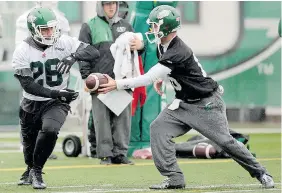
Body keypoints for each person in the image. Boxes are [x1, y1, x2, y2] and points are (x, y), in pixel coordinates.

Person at [98, 5, 275, 189]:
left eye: (155, 26)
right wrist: (163, 78)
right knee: (158, 128)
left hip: (206, 104)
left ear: (166, 27)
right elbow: (169, 71)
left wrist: (116, 84)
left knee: (224, 142)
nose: (152, 29)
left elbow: (148, 77)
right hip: (183, 103)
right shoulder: (162, 45)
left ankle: (261, 172)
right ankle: (174, 178)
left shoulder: (177, 50)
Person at [12, 7, 99, 189]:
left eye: (52, 28)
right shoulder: (22, 50)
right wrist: (55, 93)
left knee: (50, 130)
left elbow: (93, 52)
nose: (50, 33)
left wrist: (74, 56)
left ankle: (37, 171)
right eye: (45, 29)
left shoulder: (64, 42)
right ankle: (30, 167)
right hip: (32, 102)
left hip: (57, 102)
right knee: (29, 146)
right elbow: (28, 84)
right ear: (34, 30)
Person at [78, 1, 144, 165]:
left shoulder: (126, 26)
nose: (111, 7)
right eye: (107, 3)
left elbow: (136, 53)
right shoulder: (89, 26)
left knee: (123, 119)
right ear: (100, 5)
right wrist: (86, 77)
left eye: (113, 3)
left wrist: (140, 46)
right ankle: (105, 154)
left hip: (122, 80)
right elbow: (82, 53)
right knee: (102, 119)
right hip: (100, 80)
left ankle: (120, 154)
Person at [15, 1, 70, 160]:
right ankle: (28, 145)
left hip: (54, 71)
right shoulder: (24, 18)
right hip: (35, 70)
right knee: (30, 108)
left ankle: (44, 147)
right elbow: (20, 47)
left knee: (51, 112)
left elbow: (65, 46)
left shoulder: (62, 19)